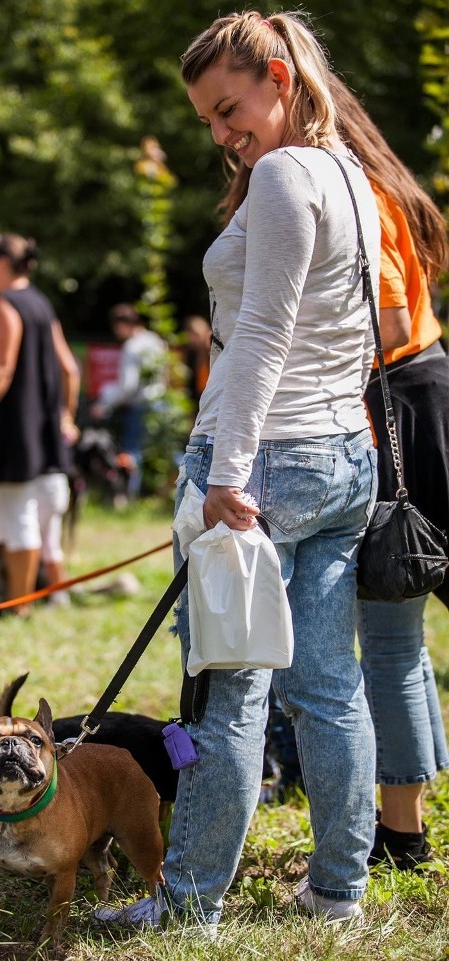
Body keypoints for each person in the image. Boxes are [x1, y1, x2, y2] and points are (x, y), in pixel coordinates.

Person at [95, 10, 380, 934]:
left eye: (230, 109)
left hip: (267, 464)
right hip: (345, 456)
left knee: (230, 692)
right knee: (333, 688)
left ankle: (188, 903)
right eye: (209, 121)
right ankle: (338, 889)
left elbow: (263, 333)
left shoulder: (288, 173)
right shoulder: (353, 177)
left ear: (279, 77)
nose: (222, 135)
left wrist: (227, 469)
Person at [225, 74, 449, 864]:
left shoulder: (347, 188)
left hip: (385, 407)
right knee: (400, 635)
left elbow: (385, 324)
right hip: (405, 397)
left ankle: (402, 829)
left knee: (388, 635)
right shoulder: (376, 182)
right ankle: (404, 816)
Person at [0, 232, 80, 616]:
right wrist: (67, 414)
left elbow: (1, 368)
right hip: (46, 429)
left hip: (15, 428)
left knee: (18, 517)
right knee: (46, 512)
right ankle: (56, 593)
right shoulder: (41, 304)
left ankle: (20, 605)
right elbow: (70, 368)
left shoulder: (6, 306)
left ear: (1, 262)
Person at [90, 303, 166, 499]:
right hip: (160, 402)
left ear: (121, 324)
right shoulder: (155, 341)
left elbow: (127, 386)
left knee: (131, 452)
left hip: (140, 405)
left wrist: (104, 404)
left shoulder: (131, 347)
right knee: (165, 450)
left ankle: (129, 497)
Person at [182, 314, 211, 413]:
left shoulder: (212, 354)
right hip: (198, 401)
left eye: (197, 335)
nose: (194, 339)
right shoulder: (191, 355)